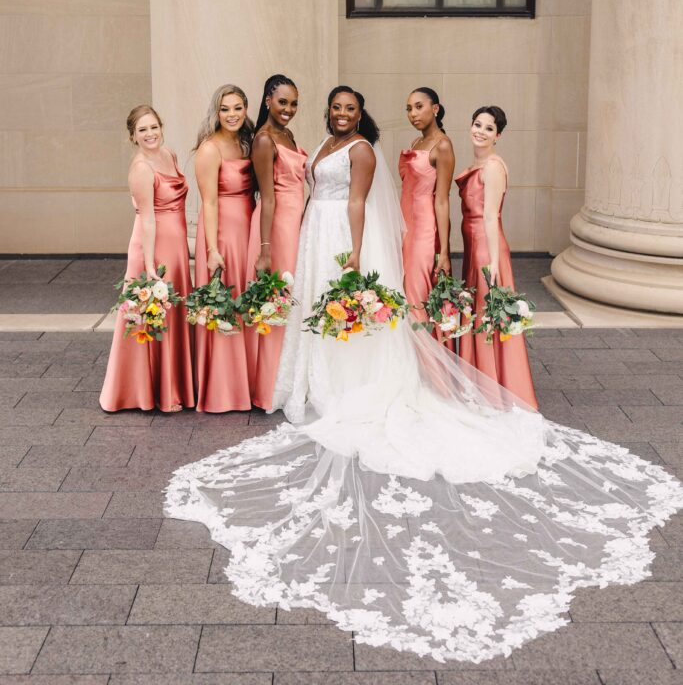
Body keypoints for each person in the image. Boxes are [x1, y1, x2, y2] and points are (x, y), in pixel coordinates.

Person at [165, 88, 683, 664]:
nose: (339, 114)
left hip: (342, 236)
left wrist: (357, 254)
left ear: (361, 114)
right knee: (313, 312)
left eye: (348, 107)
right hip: (316, 231)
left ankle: (348, 383)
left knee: (348, 316)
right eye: (333, 107)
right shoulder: (324, 143)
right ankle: (320, 377)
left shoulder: (360, 149)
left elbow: (360, 203)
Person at [100, 105, 194, 413]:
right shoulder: (140, 168)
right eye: (143, 130)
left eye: (154, 127)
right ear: (132, 136)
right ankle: (154, 393)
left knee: (173, 311)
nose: (150, 134)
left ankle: (175, 385)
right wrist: (150, 265)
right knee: (154, 313)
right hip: (153, 247)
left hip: (176, 245)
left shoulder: (169, 154)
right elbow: (148, 219)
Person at [455, 105, 538, 408]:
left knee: (486, 312)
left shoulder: (492, 166)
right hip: (473, 246)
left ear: (498, 135)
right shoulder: (478, 164)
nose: (480, 131)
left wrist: (491, 262)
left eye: (489, 128)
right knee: (478, 311)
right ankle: (479, 380)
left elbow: (490, 216)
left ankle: (492, 386)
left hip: (485, 247)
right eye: (477, 124)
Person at [245, 74, 307, 408]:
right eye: (283, 102)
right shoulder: (265, 139)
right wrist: (265, 249)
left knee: (290, 300)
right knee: (276, 301)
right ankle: (267, 386)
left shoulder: (288, 134)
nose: (288, 109)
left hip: (293, 227)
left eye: (294, 103)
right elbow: (267, 198)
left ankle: (287, 379)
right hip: (275, 229)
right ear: (268, 100)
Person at [193, 84, 255, 412]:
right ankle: (222, 389)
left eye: (237, 108)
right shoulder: (210, 148)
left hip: (247, 224)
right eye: (225, 109)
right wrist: (211, 248)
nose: (232, 115)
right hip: (223, 230)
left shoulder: (246, 141)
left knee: (245, 297)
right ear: (216, 112)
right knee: (224, 299)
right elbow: (208, 202)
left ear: (246, 109)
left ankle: (247, 381)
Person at [399, 87, 455, 346]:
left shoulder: (442, 145)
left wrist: (443, 251)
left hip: (423, 231)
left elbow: (442, 200)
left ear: (435, 108)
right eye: (409, 108)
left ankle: (431, 372)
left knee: (417, 297)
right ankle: (411, 364)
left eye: (419, 106)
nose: (413, 113)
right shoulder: (416, 143)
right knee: (404, 293)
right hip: (405, 228)